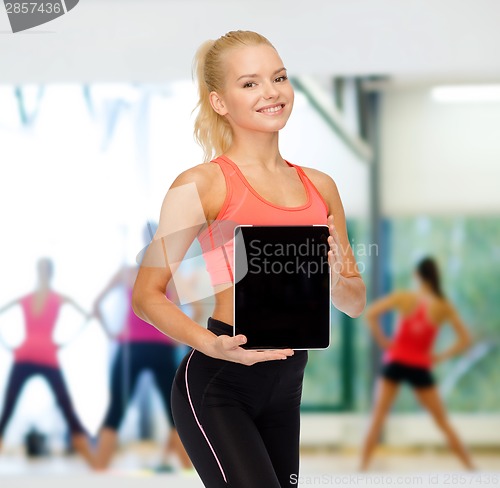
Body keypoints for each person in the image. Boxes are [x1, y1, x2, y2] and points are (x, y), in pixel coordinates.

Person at [132, 30, 366, 488]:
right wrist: (208, 342)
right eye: (250, 83)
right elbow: (146, 294)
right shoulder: (201, 184)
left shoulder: (321, 186)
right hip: (221, 380)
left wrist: (335, 280)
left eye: (278, 77)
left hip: (287, 386)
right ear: (220, 102)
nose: (271, 92)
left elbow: (355, 303)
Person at [91, 223, 192, 471]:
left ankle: (98, 471)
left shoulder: (129, 273)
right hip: (159, 348)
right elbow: (183, 309)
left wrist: (112, 333)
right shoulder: (168, 274)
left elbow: (96, 305)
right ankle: (190, 472)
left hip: (136, 348)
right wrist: (178, 337)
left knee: (117, 410)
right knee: (175, 413)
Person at [359, 256, 475, 471]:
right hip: (420, 366)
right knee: (443, 422)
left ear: (417, 275)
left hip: (396, 361)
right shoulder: (443, 305)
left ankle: (360, 472)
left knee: (377, 418)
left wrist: (384, 340)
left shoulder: (405, 298)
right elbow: (465, 339)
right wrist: (441, 356)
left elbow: (371, 313)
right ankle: (473, 471)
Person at [0, 257, 94, 466]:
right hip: (32, 356)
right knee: (8, 409)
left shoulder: (43, 298)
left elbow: (87, 316)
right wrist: (7, 344)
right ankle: (93, 462)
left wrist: (65, 342)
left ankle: (93, 462)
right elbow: (88, 316)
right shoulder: (46, 298)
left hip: (38, 356)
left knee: (65, 407)